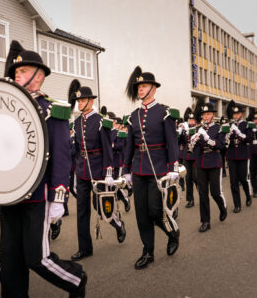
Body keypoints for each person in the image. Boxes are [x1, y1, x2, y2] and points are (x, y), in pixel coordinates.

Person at [1, 41, 86, 298]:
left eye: (23, 70)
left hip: (37, 195)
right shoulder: (5, 106)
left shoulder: (52, 111)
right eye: (16, 71)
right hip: (7, 195)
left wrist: (58, 199)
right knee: (10, 265)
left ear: (38, 77)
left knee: (36, 258)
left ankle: (75, 279)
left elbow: (61, 157)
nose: (17, 73)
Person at [123, 66, 180, 270]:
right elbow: (129, 145)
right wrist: (125, 170)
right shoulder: (133, 115)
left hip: (158, 169)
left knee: (156, 211)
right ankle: (148, 251)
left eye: (144, 86)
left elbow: (172, 142)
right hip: (138, 169)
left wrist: (173, 166)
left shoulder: (164, 113)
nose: (140, 89)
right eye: (138, 86)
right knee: (141, 214)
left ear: (153, 89)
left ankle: (172, 232)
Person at [68, 80, 126, 262]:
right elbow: (76, 149)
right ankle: (84, 248)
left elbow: (108, 148)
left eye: (82, 100)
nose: (79, 103)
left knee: (101, 209)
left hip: (99, 169)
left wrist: (108, 172)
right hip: (82, 169)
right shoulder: (76, 123)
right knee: (82, 210)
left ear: (90, 102)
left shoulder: (101, 122)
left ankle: (118, 225)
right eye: (77, 101)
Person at [191, 103, 227, 232]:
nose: (205, 116)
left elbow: (221, 145)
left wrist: (207, 138)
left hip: (214, 162)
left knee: (215, 192)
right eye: (204, 114)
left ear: (213, 115)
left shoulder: (219, 128)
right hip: (201, 163)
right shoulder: (198, 129)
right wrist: (192, 141)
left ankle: (222, 208)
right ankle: (205, 221)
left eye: (208, 114)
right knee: (202, 193)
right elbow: (194, 148)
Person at [225, 101, 253, 213]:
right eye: (234, 114)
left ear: (241, 114)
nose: (236, 115)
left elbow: (249, 139)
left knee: (243, 179)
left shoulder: (247, 125)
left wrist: (239, 133)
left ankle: (248, 195)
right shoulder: (229, 125)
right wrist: (227, 134)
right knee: (233, 181)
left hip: (242, 155)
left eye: (237, 114)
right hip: (231, 155)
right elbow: (225, 141)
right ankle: (237, 205)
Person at [179, 107, 198, 208]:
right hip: (187, 156)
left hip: (195, 156)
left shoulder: (198, 129)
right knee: (188, 178)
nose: (191, 121)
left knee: (196, 178)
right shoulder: (185, 130)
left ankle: (201, 193)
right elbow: (180, 142)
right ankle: (190, 200)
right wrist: (180, 131)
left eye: (193, 120)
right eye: (190, 120)